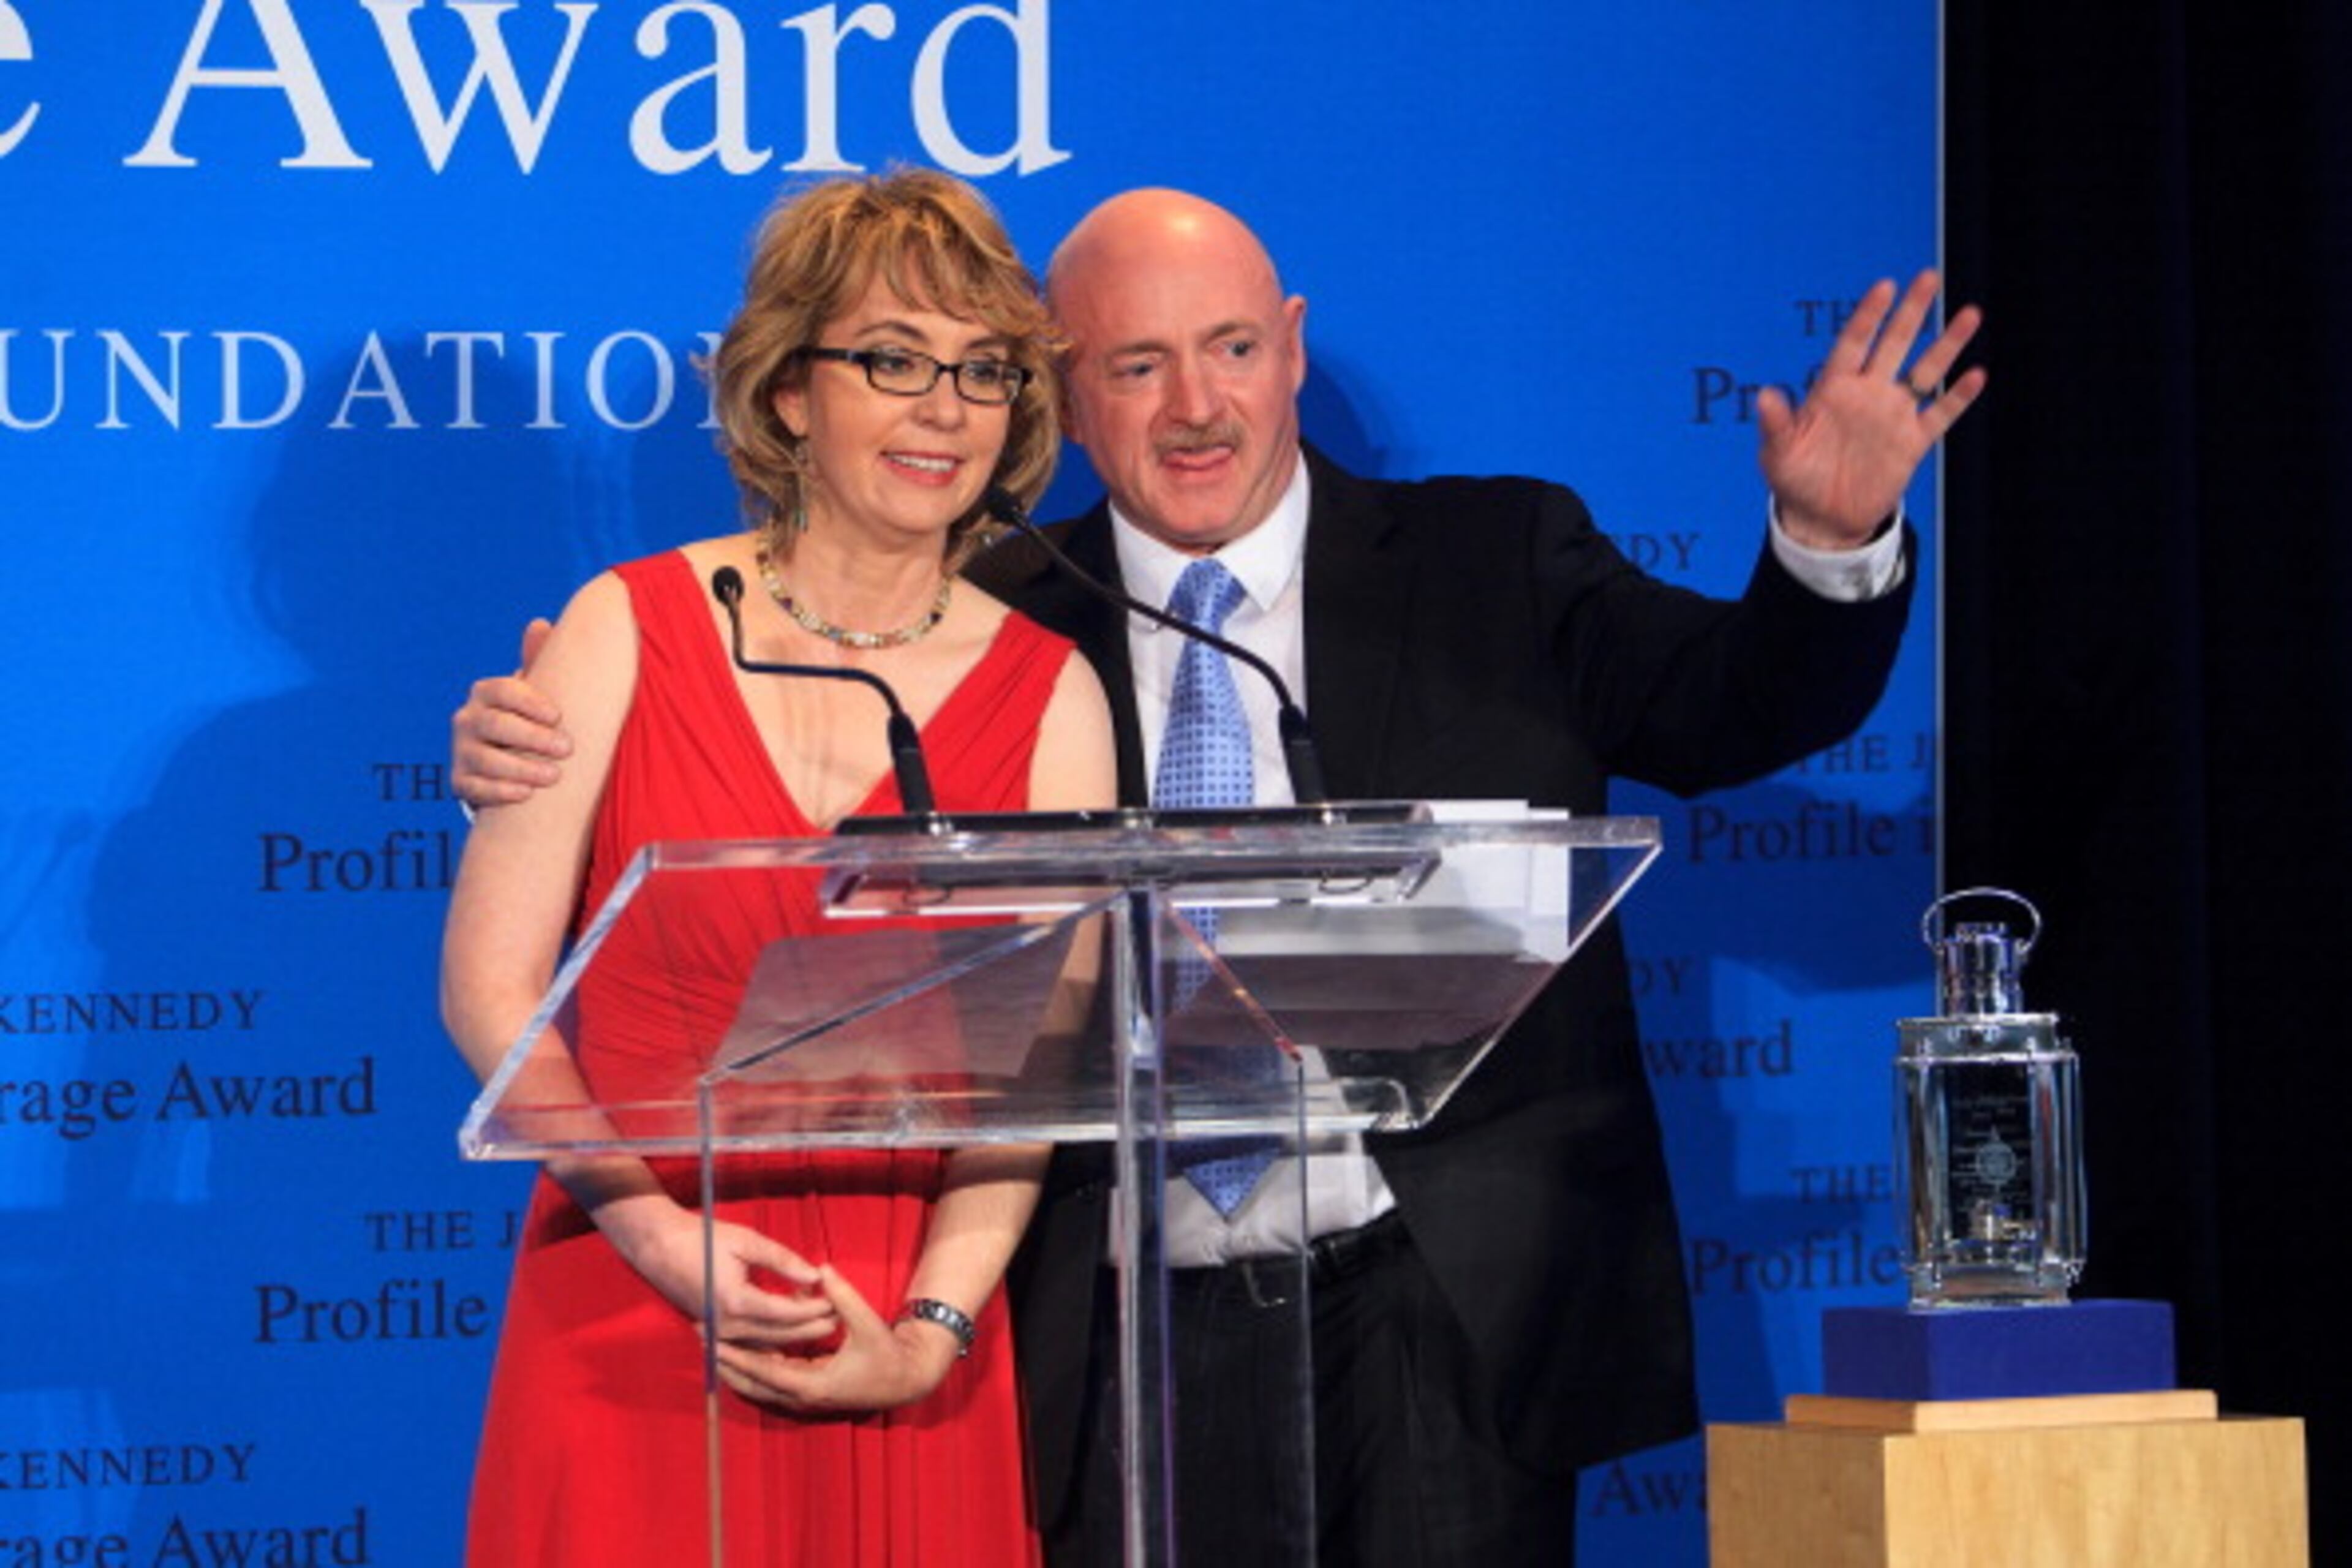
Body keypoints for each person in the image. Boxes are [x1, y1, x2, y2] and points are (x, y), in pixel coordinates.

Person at [454, 187, 1982, 1566]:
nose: (1197, 408)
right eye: (1135, 366)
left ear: (1295, 347)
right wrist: (526, 737)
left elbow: (1736, 708)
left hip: (1436, 1315)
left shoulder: (1494, 558)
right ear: (1065, 387)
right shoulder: (989, 615)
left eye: (1233, 348)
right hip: (1105, 1329)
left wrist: (1826, 543)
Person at [440, 168, 1115, 1567]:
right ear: (790, 391)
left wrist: (931, 1332)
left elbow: (1040, 1075)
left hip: (912, 1333)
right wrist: (662, 1241)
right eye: (894, 359)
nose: (945, 408)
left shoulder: (1056, 695)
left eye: (984, 370)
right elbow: (490, 996)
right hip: (638, 1293)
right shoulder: (621, 628)